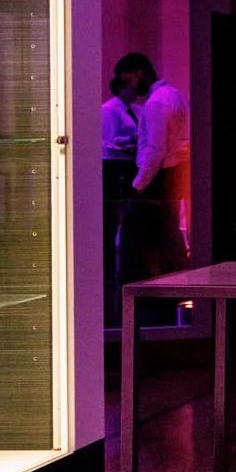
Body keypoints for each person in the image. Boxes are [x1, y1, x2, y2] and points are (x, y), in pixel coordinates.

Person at [117, 51, 192, 278]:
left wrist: (139, 184)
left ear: (139, 73)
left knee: (147, 238)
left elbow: (155, 148)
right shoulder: (175, 95)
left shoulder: (156, 102)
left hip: (158, 177)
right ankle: (176, 280)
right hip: (175, 171)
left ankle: (149, 287)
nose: (129, 87)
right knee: (169, 231)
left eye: (129, 80)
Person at [101, 74, 141, 325]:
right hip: (115, 167)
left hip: (129, 166)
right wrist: (129, 143)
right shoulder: (108, 110)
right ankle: (110, 268)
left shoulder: (136, 109)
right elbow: (106, 142)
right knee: (113, 217)